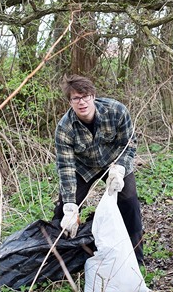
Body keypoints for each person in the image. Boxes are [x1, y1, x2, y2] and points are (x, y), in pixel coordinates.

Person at [53, 74, 144, 265]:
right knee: (64, 210)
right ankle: (60, 256)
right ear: (70, 102)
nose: (82, 102)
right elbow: (66, 167)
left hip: (113, 163)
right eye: (76, 98)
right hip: (83, 168)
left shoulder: (116, 111)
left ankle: (136, 256)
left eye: (85, 96)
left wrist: (120, 169)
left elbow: (129, 144)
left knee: (129, 202)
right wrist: (70, 206)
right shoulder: (64, 128)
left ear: (93, 96)